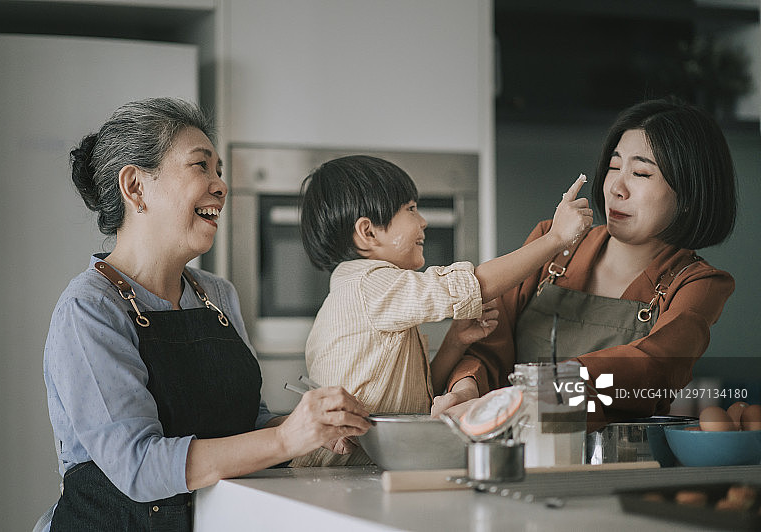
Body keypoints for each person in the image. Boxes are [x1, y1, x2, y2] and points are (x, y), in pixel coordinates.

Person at [39, 98, 371, 531]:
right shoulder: (90, 308)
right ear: (136, 187)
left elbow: (247, 424)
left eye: (219, 171)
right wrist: (284, 438)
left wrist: (315, 425)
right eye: (201, 167)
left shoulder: (217, 295)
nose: (220, 185)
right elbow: (138, 466)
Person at [435, 98, 737, 432]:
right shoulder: (548, 241)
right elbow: (488, 344)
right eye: (613, 166)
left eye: (640, 173)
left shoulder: (697, 284)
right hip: (514, 457)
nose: (616, 188)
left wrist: (525, 394)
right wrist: (466, 388)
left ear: (689, 193)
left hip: (612, 464)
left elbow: (654, 368)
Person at [290, 155, 592, 466]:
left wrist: (455, 342)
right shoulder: (368, 285)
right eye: (410, 209)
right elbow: (472, 285)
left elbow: (417, 396)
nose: (423, 221)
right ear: (368, 233)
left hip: (359, 472)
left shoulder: (374, 293)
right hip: (334, 474)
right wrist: (555, 238)